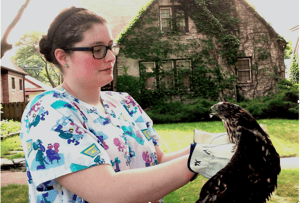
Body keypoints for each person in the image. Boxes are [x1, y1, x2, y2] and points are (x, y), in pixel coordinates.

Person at [20, 7, 234, 203]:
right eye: (98, 49)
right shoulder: (47, 111)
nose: (111, 57)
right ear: (63, 56)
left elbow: (156, 162)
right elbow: (104, 191)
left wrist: (214, 145)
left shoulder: (124, 103)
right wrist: (197, 160)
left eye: (111, 47)